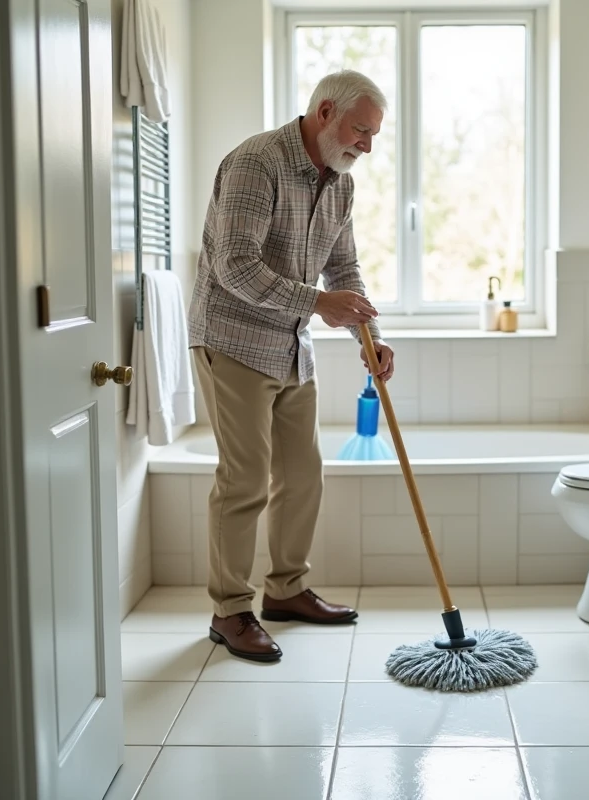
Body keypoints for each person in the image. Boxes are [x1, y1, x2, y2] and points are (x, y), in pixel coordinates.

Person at [188, 70, 395, 662]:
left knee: (304, 474)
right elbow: (236, 268)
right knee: (245, 480)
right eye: (361, 130)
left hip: (290, 345)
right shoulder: (257, 163)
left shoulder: (341, 185)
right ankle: (230, 611)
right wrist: (318, 303)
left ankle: (286, 591)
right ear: (326, 111)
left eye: (375, 134)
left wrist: (368, 338)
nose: (367, 146)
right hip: (231, 341)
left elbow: (344, 273)